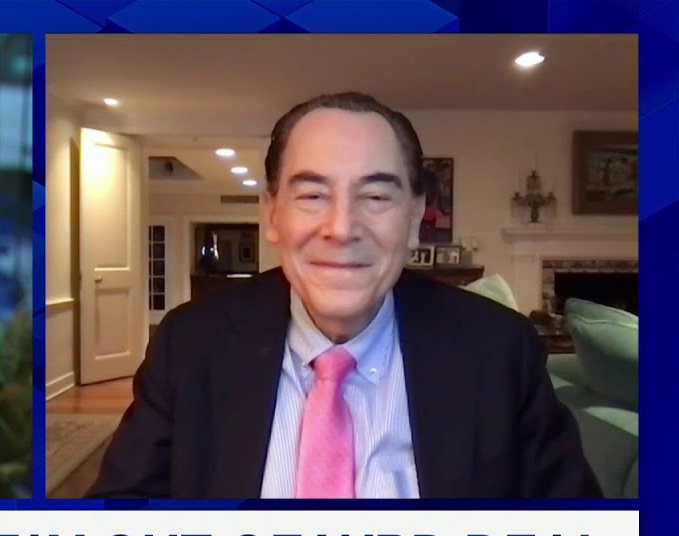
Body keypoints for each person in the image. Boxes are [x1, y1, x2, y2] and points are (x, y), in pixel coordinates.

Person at [91, 92, 599, 499]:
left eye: (375, 196)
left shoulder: (499, 349)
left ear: (415, 218)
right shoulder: (190, 343)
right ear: (272, 215)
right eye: (313, 195)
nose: (341, 227)